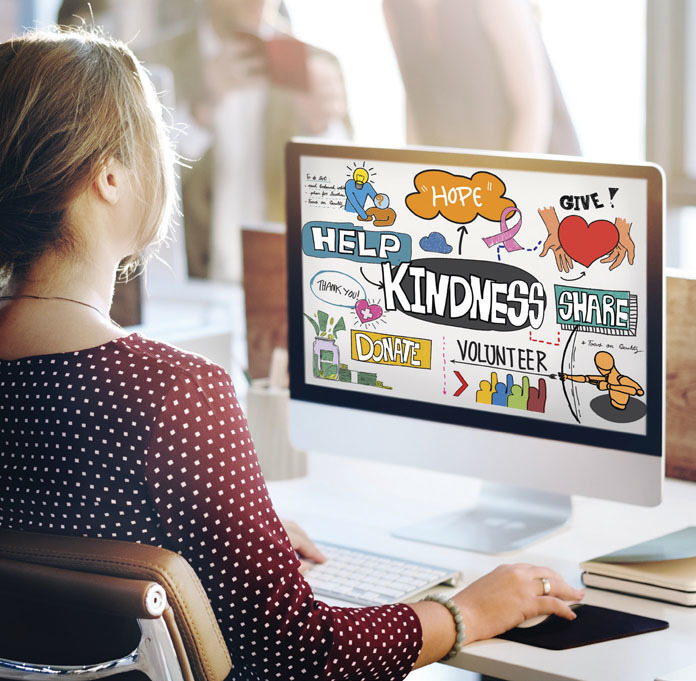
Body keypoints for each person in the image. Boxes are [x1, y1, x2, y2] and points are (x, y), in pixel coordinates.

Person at [0, 29, 584, 680]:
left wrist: (231, 517)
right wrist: (467, 611)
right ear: (109, 176)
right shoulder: (174, 394)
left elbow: (60, 514)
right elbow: (300, 653)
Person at [141, 0, 353, 282]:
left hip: (284, 280)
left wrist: (319, 128)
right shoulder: (152, 62)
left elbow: (348, 192)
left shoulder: (316, 63)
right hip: (186, 285)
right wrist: (200, 110)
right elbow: (141, 184)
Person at [383, 0, 581, 155]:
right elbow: (417, 101)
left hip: (537, 164)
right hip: (462, 183)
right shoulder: (393, 6)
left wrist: (505, 188)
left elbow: (533, 109)